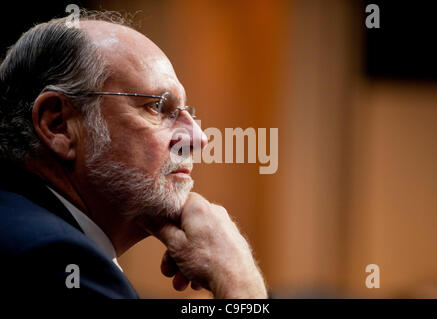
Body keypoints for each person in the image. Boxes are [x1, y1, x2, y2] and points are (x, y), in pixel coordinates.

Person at [0, 11, 267, 299]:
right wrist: (237, 278)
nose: (197, 138)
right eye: (158, 107)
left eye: (187, 113)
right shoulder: (54, 258)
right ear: (59, 125)